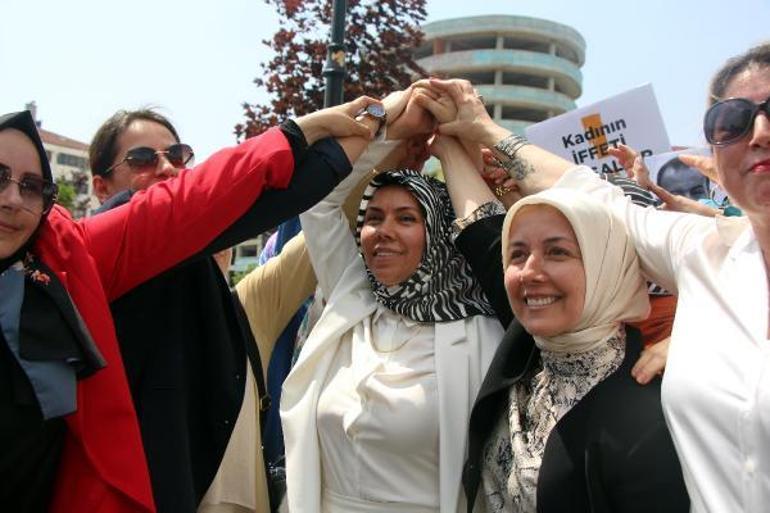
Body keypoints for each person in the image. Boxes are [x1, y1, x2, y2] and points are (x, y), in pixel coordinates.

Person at [427, 40, 770, 512]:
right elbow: (589, 195)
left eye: (560, 252)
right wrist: (479, 130)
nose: (761, 133)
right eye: (733, 121)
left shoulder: (636, 405)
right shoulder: (704, 256)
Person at [0, 101, 375, 513]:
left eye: (32, 185)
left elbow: (201, 204)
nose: (14, 198)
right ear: (100, 186)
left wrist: (371, 137)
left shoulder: (64, 268)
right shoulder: (87, 273)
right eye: (142, 158)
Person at [280, 88, 504, 513]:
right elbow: (320, 204)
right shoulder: (353, 296)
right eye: (372, 218)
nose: (383, 231)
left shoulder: (480, 331)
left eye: (406, 218)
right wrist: (390, 122)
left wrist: (457, 145)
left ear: (438, 234)